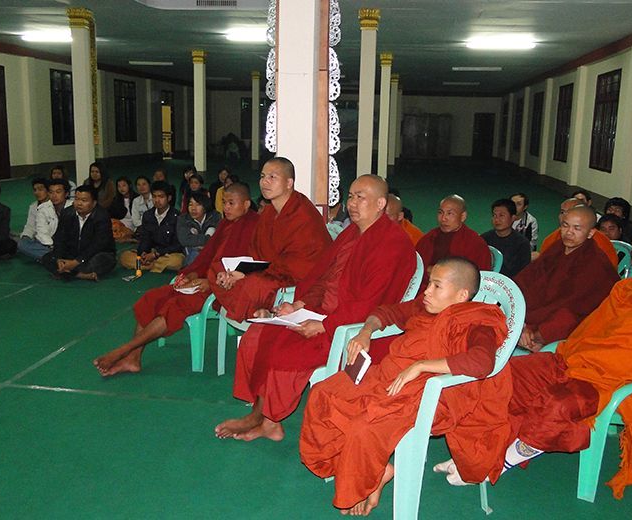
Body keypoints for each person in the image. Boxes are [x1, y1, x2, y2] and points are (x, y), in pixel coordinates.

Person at [487, 229, 632, 499]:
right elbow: (593, 331)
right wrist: (581, 356)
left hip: (620, 380)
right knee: (511, 373)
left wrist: (603, 362)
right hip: (581, 361)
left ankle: (505, 460)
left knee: (559, 402)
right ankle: (490, 442)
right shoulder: (626, 289)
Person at [299, 258, 511, 515]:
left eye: (436, 286)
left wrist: (421, 366)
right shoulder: (425, 307)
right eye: (429, 284)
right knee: (323, 393)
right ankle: (364, 468)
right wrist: (366, 332)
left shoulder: (476, 322)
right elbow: (386, 313)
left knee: (365, 426)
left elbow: (482, 361)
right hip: (387, 376)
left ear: (461, 295)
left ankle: (362, 484)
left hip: (428, 394)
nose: (427, 291)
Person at [214, 175, 416, 443]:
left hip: (349, 326)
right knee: (258, 335)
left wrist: (324, 324)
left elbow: (370, 302)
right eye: (351, 196)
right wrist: (300, 304)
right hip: (320, 312)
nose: (352, 203)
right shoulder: (352, 232)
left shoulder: (391, 243)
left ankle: (265, 420)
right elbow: (324, 277)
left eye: (361, 198)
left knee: (285, 353)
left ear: (380, 203)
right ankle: (264, 418)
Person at [93, 182, 259, 377]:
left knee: (174, 306)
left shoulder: (255, 226)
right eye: (224, 202)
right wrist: (191, 274)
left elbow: (251, 267)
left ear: (246, 204)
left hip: (225, 288)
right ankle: (133, 358)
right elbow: (208, 255)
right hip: (206, 279)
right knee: (152, 298)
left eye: (232, 203)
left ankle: (124, 350)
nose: (226, 207)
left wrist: (210, 283)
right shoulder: (225, 223)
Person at [209, 157, 331, 322]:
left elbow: (299, 265)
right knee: (217, 271)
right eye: (262, 176)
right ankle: (256, 309)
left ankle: (255, 310)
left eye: (272, 177)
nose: (265, 182)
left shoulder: (303, 214)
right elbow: (256, 251)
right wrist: (241, 271)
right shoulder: (268, 212)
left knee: (253, 284)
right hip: (269, 272)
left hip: (294, 278)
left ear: (289, 183)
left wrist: (247, 275)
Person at [515, 206, 619, 352]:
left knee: (565, 321)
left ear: (590, 233)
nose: (569, 232)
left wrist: (530, 327)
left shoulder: (596, 262)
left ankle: (531, 339)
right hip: (537, 309)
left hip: (567, 316)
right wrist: (521, 318)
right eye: (565, 225)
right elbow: (528, 277)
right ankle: (525, 337)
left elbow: (575, 304)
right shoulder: (557, 247)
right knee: (509, 296)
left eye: (577, 228)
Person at [40, 184, 116, 281]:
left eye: (84, 200)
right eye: (76, 199)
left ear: (94, 203)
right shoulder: (67, 213)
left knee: (104, 261)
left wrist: (77, 262)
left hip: (95, 254)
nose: (79, 203)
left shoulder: (102, 216)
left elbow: (98, 244)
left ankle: (67, 272)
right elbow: (60, 238)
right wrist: (59, 259)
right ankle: (81, 275)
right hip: (73, 253)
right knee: (47, 258)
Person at [415, 195, 491, 286]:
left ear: (463, 216)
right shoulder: (430, 237)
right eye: (440, 212)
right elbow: (415, 266)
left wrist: (437, 272)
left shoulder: (475, 243)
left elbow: (477, 279)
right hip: (424, 287)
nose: (443, 218)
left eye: (450, 213)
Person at [119, 181, 184, 273]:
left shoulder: (178, 217)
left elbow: (178, 245)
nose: (157, 200)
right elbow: (145, 238)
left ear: (169, 198)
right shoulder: (148, 215)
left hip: (168, 254)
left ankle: (145, 266)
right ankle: (153, 265)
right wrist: (143, 253)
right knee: (124, 257)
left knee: (177, 261)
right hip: (151, 252)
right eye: (154, 196)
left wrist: (156, 254)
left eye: (161, 197)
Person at [539, 198, 618, 268]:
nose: (564, 217)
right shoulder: (551, 239)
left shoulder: (602, 243)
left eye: (572, 213)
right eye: (562, 212)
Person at [481, 199, 531, 278]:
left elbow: (524, 272)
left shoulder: (522, 243)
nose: (497, 219)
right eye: (494, 215)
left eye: (501, 215)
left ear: (513, 218)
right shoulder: (484, 239)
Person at [177, 191, 219, 266]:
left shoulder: (215, 217)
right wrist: (207, 239)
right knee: (195, 253)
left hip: (212, 252)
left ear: (205, 206)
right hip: (190, 253)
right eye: (190, 205)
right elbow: (185, 240)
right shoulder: (183, 219)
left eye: (198, 204)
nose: (193, 208)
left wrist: (199, 242)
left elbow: (217, 239)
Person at [16, 177, 52, 261]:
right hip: (38, 239)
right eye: (35, 190)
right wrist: (25, 236)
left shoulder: (54, 204)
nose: (37, 193)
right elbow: (30, 226)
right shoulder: (33, 206)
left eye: (40, 189)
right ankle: (49, 257)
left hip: (52, 240)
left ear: (48, 190)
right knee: (22, 244)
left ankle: (47, 257)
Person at [35, 179, 73, 251]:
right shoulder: (43, 208)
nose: (54, 195)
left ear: (66, 194)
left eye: (58, 192)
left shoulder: (74, 207)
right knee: (24, 244)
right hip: (50, 245)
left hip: (70, 244)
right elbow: (42, 232)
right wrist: (52, 246)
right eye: (51, 192)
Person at [111, 176, 137, 241]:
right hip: (119, 223)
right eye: (119, 186)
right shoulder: (116, 200)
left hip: (133, 224)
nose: (121, 188)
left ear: (129, 186)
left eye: (124, 185)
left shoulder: (137, 198)